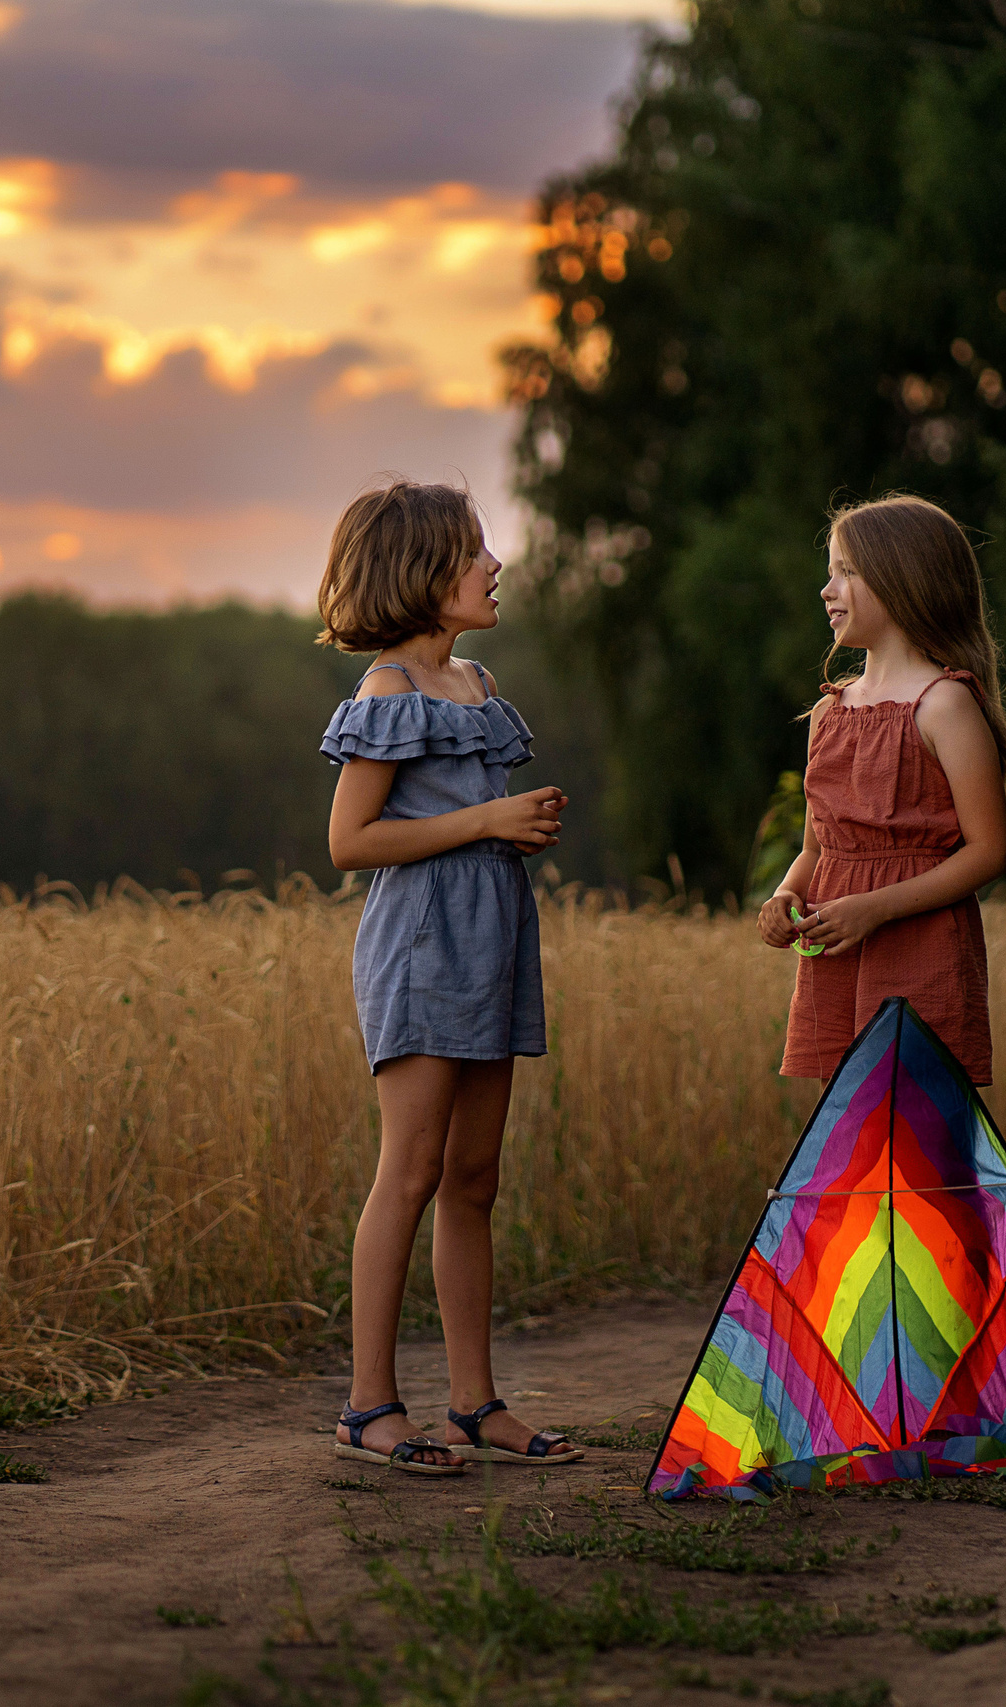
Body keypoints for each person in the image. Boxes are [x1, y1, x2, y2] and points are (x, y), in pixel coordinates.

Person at [313, 477, 585, 1476]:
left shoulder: (477, 686)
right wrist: (485, 822)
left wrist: (515, 829)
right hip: (422, 949)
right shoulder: (387, 691)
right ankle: (367, 1408)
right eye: (473, 552)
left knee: (474, 1178)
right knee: (412, 1172)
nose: (493, 563)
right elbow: (350, 841)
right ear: (420, 573)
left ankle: (474, 1404)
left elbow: (466, 820)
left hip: (494, 941)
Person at [757, 494, 1006, 1088]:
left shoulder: (944, 705)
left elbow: (988, 851)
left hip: (921, 953)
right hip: (840, 961)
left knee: (920, 1142)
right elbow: (817, 850)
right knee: (852, 1138)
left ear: (904, 581)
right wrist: (785, 896)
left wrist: (873, 909)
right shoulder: (829, 713)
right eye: (830, 572)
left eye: (846, 571)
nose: (827, 590)